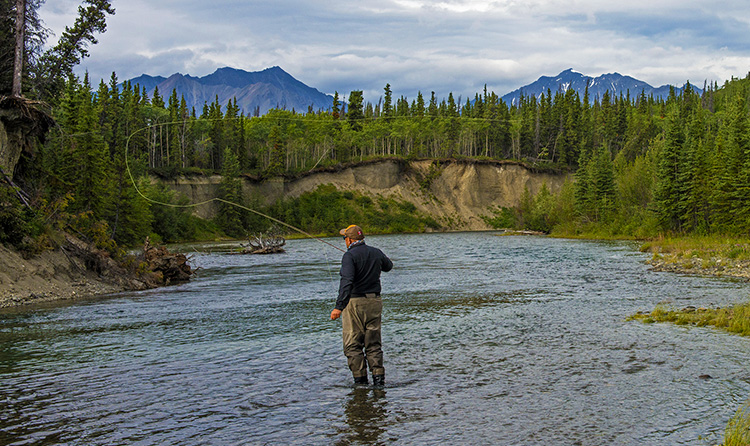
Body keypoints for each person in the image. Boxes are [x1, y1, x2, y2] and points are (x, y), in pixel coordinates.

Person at [330, 224, 393, 386]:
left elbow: (347, 282)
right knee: (373, 343)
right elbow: (388, 266)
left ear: (350, 239)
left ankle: (360, 382)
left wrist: (339, 306)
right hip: (375, 302)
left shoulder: (349, 257)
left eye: (345, 238)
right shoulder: (375, 252)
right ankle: (379, 380)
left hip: (355, 303)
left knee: (353, 344)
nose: (344, 241)